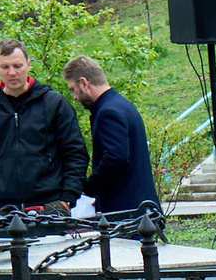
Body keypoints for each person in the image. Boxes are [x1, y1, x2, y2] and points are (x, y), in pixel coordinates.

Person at [0, 38, 86, 221]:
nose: (12, 73)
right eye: (5, 67)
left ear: (28, 64)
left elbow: (75, 153)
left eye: (17, 66)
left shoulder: (53, 103)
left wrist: (67, 199)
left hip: (49, 205)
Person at [64, 57, 156, 215]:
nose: (75, 97)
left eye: (73, 89)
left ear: (84, 83)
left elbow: (116, 159)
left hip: (125, 212)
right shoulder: (122, 105)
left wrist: (89, 188)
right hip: (139, 208)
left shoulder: (108, 112)